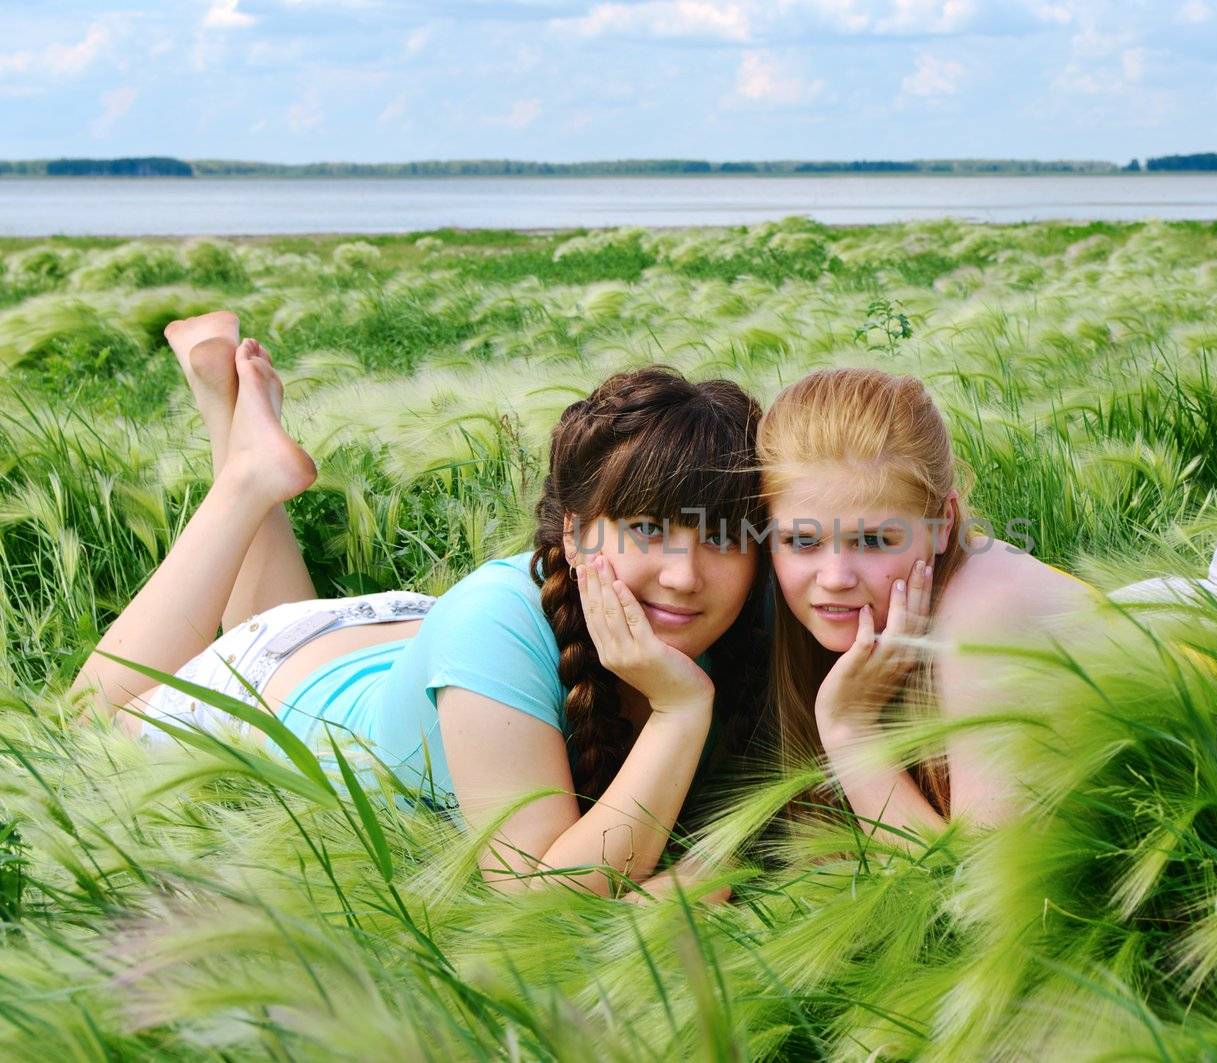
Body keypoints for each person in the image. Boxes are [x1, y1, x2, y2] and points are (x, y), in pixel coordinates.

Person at [756, 223, 1217, 838]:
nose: (837, 575)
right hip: (1185, 631)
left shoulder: (981, 620)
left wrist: (848, 733)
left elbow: (971, 889)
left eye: (875, 541)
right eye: (803, 540)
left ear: (942, 524)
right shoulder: (879, 611)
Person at [71, 312, 768, 897]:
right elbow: (534, 894)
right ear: (577, 531)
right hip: (286, 680)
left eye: (720, 535)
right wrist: (679, 710)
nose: (683, 576)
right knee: (86, 718)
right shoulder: (497, 621)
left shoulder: (752, 608)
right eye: (646, 528)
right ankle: (248, 473)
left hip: (398, 644)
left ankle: (238, 424)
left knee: (282, 623)